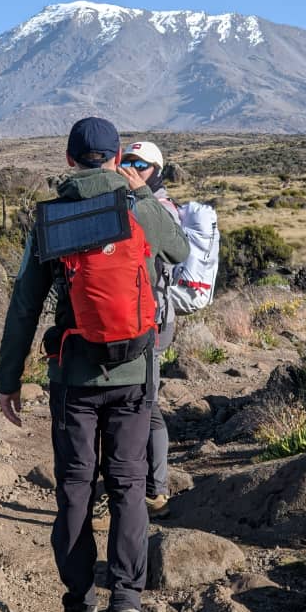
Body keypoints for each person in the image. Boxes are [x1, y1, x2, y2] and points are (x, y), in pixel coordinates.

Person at [0, 117, 189, 612]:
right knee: (129, 485)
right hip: (133, 372)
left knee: (76, 488)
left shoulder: (51, 218)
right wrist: (142, 194)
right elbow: (178, 251)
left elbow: (24, 305)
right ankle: (126, 606)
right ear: (117, 157)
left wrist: (8, 379)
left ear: (68, 160)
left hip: (73, 377)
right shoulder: (140, 206)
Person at [91, 140, 179, 531]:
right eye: (126, 161)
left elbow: (172, 255)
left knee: (148, 403)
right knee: (132, 401)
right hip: (124, 320)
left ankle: (155, 490)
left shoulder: (158, 209)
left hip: (152, 322)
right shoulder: (122, 201)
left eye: (141, 164)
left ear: (156, 171)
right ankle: (131, 483)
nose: (131, 168)